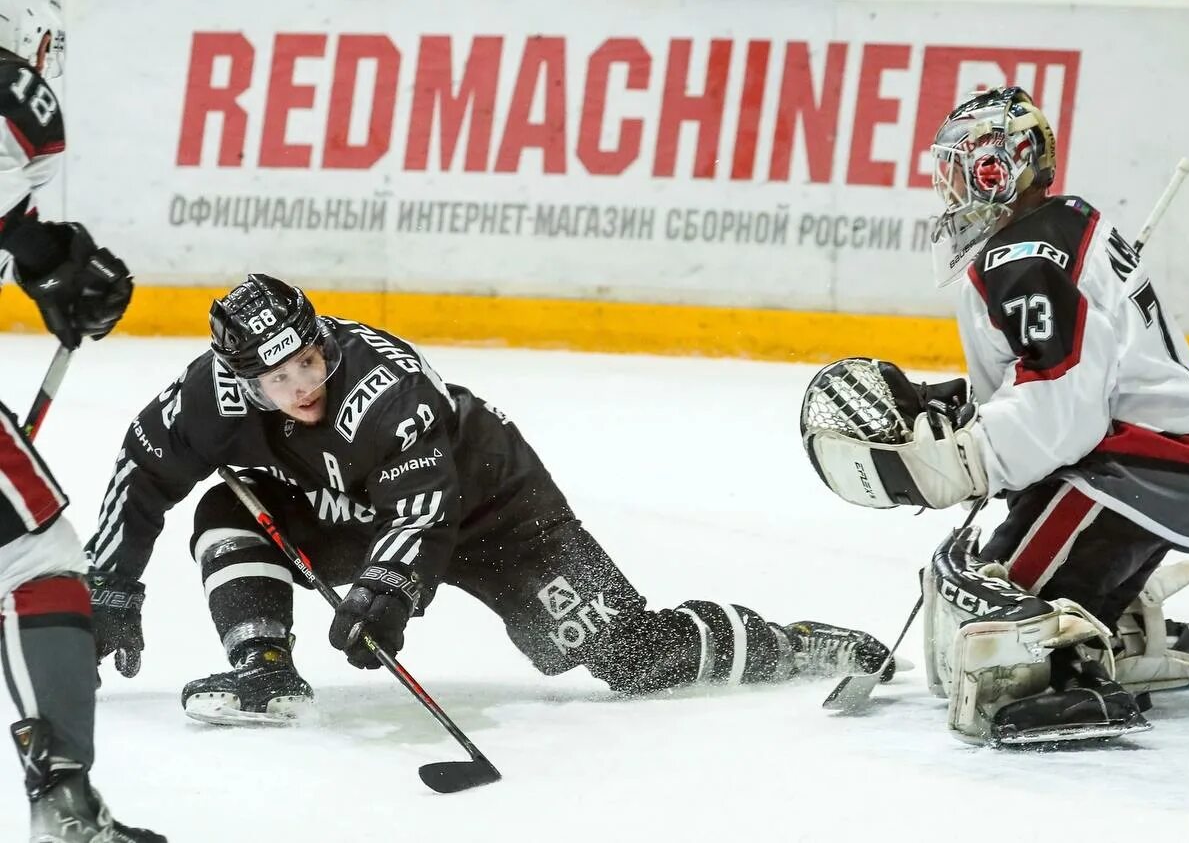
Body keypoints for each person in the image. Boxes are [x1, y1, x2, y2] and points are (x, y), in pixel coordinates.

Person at [84, 273, 892, 725]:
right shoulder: (206, 399)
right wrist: (112, 582)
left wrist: (386, 592)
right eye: (277, 377)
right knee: (228, 509)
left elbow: (427, 508)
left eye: (307, 358)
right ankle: (263, 669)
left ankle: (791, 644)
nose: (302, 384)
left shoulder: (381, 386)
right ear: (240, 380)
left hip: (492, 511)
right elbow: (140, 472)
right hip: (349, 511)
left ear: (319, 335)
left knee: (637, 658)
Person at [801, 87, 1189, 745]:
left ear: (1002, 167)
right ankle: (1120, 623)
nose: (952, 187)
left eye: (965, 168)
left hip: (1136, 472)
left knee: (984, 635)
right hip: (1152, 466)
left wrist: (964, 460)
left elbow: (1063, 409)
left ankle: (1074, 675)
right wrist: (967, 410)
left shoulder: (1026, 256)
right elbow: (1057, 378)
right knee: (966, 624)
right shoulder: (1052, 229)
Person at [0, 1, 165, 839]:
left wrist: (48, 261)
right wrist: (48, 259)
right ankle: (62, 804)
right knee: (33, 560)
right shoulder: (14, 93)